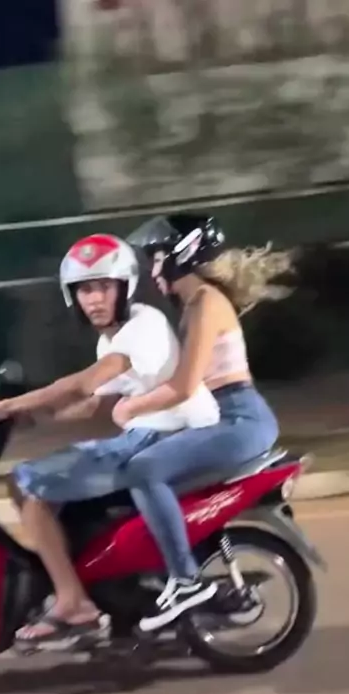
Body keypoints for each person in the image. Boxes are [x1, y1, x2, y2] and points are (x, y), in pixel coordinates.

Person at [0, 232, 221, 646]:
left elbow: (83, 384)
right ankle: (81, 582)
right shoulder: (114, 338)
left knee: (30, 483)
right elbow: (91, 404)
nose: (95, 299)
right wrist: (27, 417)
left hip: (164, 436)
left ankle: (73, 603)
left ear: (125, 287)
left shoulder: (143, 325)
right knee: (24, 482)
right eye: (85, 289)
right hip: (147, 435)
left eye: (104, 286)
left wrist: (7, 406)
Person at [114, 213, 293, 632]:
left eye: (157, 258)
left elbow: (183, 385)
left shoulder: (205, 303)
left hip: (237, 421)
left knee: (144, 469)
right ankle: (158, 578)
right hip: (217, 417)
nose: (153, 270)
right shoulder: (195, 306)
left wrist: (131, 408)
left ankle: (185, 581)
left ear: (183, 254)